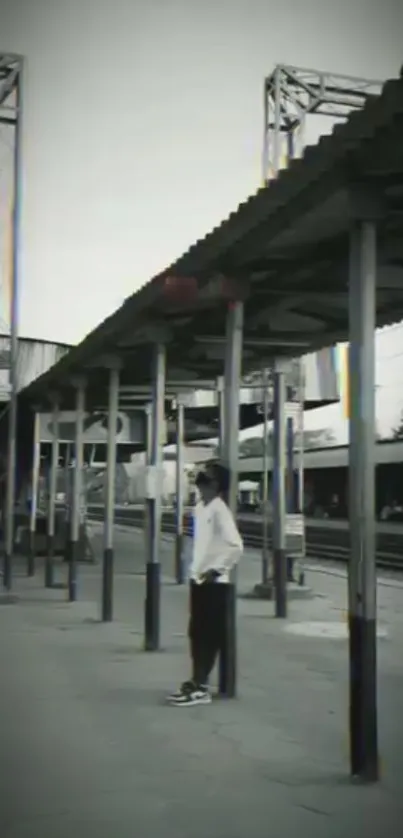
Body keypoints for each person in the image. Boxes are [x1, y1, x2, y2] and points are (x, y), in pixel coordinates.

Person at [168, 462, 243, 707]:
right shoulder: (201, 507)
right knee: (197, 633)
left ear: (216, 484)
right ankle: (196, 681)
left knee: (208, 635)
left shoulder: (220, 510)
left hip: (214, 582)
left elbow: (236, 546)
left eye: (207, 475)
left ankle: (201, 687)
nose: (201, 477)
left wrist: (216, 570)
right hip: (199, 580)